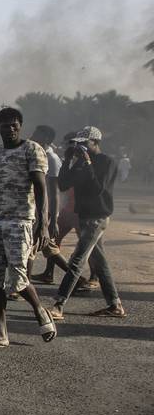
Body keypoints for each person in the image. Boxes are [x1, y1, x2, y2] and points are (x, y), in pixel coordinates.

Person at [0, 107, 57, 349]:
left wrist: (44, 223)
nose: (11, 128)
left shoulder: (32, 150)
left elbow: (40, 187)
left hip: (20, 220)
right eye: (5, 125)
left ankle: (40, 311)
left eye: (15, 124)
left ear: (21, 126)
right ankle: (0, 334)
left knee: (17, 275)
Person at [49, 127, 125, 320]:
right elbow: (64, 184)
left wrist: (88, 163)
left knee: (77, 259)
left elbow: (98, 188)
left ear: (95, 142)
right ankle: (114, 305)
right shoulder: (81, 163)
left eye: (84, 143)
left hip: (97, 217)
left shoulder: (107, 162)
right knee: (100, 262)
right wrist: (67, 160)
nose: (80, 147)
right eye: (78, 143)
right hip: (84, 216)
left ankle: (58, 305)